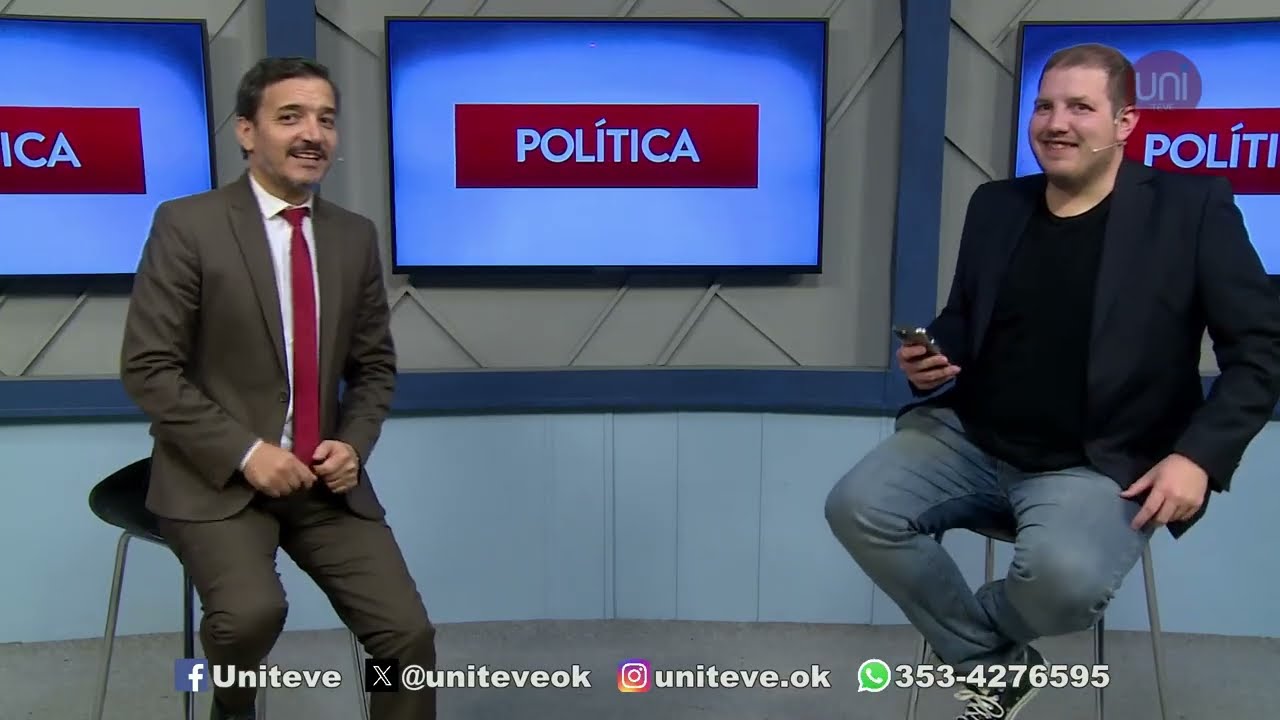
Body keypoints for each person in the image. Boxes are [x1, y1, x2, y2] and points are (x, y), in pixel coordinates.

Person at [825, 42, 1280, 719]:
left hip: (1100, 460)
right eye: (1044, 106)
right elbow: (965, 317)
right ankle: (996, 666)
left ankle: (974, 643)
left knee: (1065, 586)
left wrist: (1198, 457)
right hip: (972, 436)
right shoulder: (995, 205)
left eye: (1080, 107)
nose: (1056, 123)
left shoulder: (1190, 209)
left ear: (1125, 122)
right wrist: (932, 356)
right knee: (856, 506)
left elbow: (1261, 351)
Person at [120, 57, 435, 720]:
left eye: (325, 119)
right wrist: (246, 452)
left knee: (405, 638)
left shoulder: (353, 236)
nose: (312, 133)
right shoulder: (188, 225)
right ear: (246, 131)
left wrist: (354, 445)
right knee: (251, 615)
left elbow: (373, 367)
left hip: (323, 484)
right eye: (290, 116)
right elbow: (149, 368)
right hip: (218, 481)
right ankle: (232, 710)